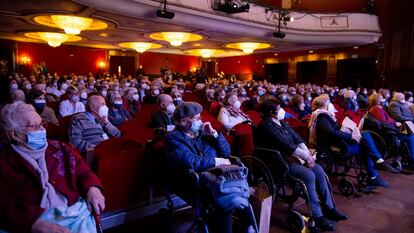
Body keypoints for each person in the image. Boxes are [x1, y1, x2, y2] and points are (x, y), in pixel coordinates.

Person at [0, 102, 105, 233]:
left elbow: (84, 172)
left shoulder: (60, 148)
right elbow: (3, 204)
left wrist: (93, 188)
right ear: (15, 135)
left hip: (72, 210)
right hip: (33, 220)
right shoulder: (4, 162)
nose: (42, 130)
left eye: (42, 124)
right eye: (35, 127)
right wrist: (32, 224)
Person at [256, 99, 348, 231]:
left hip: (293, 157)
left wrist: (306, 152)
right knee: (309, 175)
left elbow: (297, 138)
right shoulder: (266, 125)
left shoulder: (282, 123)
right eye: (279, 108)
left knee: (319, 169)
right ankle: (317, 216)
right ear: (271, 112)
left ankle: (329, 208)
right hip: (278, 161)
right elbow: (284, 144)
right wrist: (305, 156)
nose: (282, 110)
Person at [165, 102, 253, 233]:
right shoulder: (172, 138)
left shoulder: (204, 133)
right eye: (197, 118)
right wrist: (216, 161)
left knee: (240, 194)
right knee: (225, 203)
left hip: (217, 177)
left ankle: (248, 227)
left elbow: (226, 152)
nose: (200, 121)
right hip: (193, 180)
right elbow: (191, 161)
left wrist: (215, 135)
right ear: (183, 121)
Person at [309, 94, 397, 188]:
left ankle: (375, 172)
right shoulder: (321, 116)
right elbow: (332, 133)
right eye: (329, 102)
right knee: (365, 139)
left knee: (365, 139)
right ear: (324, 104)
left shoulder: (325, 115)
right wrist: (351, 136)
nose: (331, 104)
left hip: (339, 141)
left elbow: (334, 131)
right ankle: (376, 169)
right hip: (335, 144)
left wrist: (347, 129)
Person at [368, 93, 414, 168]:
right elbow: (384, 122)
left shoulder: (379, 108)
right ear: (377, 100)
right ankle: (411, 161)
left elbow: (388, 119)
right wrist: (395, 123)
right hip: (387, 133)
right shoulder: (377, 109)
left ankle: (409, 158)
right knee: (410, 136)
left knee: (410, 133)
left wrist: (395, 122)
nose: (383, 99)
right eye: (381, 98)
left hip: (389, 129)